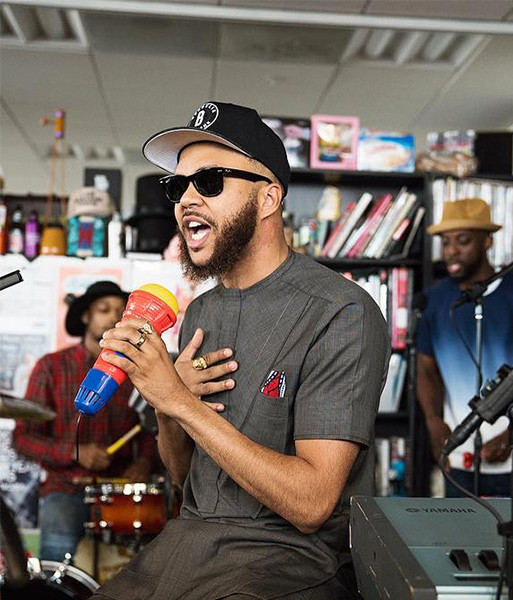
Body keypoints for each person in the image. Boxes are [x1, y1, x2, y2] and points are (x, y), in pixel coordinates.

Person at [90, 101, 390, 600]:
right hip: (192, 545)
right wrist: (168, 410)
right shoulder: (202, 313)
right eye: (176, 186)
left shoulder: (341, 312)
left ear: (268, 198)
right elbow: (187, 481)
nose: (185, 198)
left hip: (286, 561)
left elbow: (312, 502)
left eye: (208, 181)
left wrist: (181, 402)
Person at [417, 198, 513, 498]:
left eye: (463, 241)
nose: (451, 251)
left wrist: (512, 433)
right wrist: (433, 422)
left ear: (487, 242)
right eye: (445, 242)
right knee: (464, 544)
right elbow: (426, 370)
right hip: (463, 458)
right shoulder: (434, 300)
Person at [13, 281, 155, 562]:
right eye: (104, 309)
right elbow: (22, 438)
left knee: (137, 568)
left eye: (120, 311)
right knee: (59, 566)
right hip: (66, 486)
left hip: (119, 491)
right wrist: (75, 453)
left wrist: (145, 462)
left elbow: (149, 429)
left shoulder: (137, 370)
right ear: (85, 317)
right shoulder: (51, 366)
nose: (114, 316)